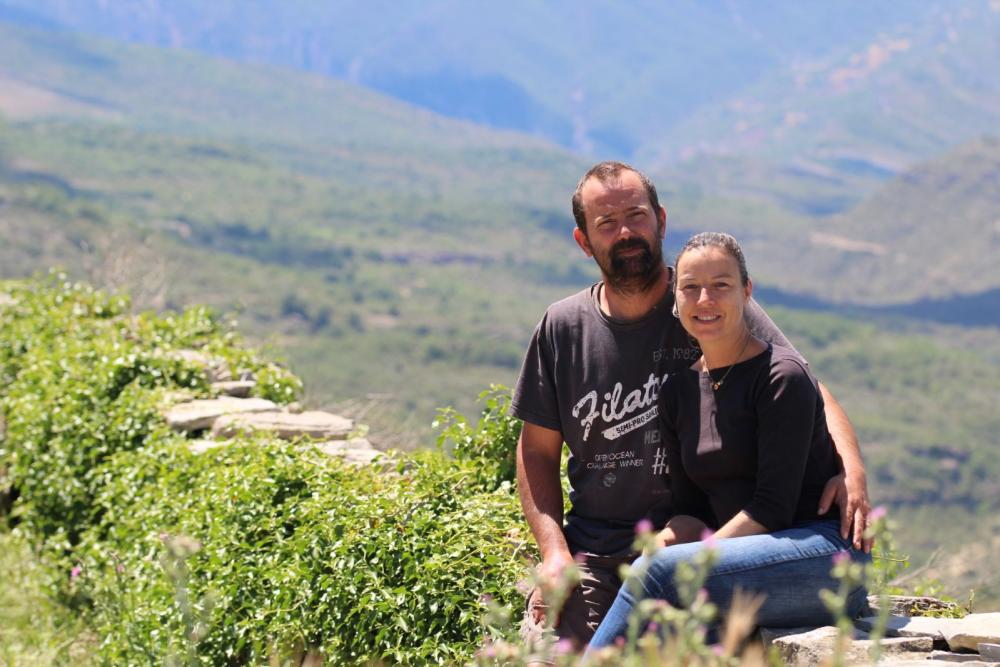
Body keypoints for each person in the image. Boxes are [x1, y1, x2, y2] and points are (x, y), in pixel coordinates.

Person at [510, 161, 871, 657]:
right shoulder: (566, 329)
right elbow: (535, 451)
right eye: (606, 223)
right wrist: (554, 553)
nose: (625, 232)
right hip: (606, 550)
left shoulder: (713, 305)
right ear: (583, 240)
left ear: (660, 219)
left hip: (719, 543)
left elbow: (808, 390)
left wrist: (851, 470)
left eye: (636, 215)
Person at [585, 232, 870, 652]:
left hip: (821, 558)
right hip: (742, 564)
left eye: (721, 285)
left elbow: (772, 508)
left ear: (747, 292)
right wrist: (665, 541)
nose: (705, 299)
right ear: (676, 300)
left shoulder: (781, 377)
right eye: (691, 288)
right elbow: (692, 510)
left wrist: (675, 562)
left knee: (661, 575)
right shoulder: (678, 393)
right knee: (670, 625)